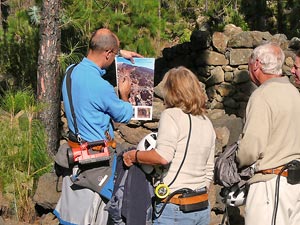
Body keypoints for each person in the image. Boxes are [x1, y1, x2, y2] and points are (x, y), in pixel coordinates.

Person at [54, 28, 142, 225]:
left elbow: (102, 52)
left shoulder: (70, 72)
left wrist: (120, 53)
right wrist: (124, 95)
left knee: (71, 215)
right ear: (108, 53)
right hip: (98, 162)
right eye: (113, 53)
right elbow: (124, 114)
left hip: (74, 152)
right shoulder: (100, 86)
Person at [123, 66, 216, 225]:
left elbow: (163, 157)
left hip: (175, 208)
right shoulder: (206, 122)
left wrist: (134, 156)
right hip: (201, 207)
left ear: (172, 90)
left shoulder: (171, 115)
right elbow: (209, 170)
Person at [236, 42, 300, 225]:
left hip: (271, 185)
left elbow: (251, 148)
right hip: (294, 184)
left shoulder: (263, 95)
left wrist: (238, 159)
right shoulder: (294, 93)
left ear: (256, 64)